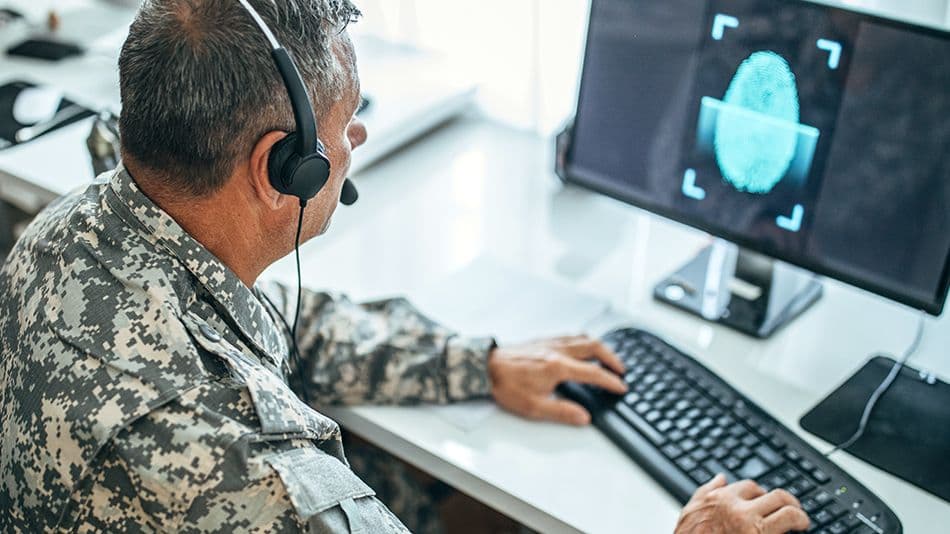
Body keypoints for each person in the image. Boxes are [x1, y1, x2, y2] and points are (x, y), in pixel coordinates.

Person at [0, 1, 811, 532]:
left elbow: (263, 330)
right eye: (347, 124)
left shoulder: (67, 234)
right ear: (284, 169)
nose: (355, 144)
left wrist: (476, 363)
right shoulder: (260, 495)